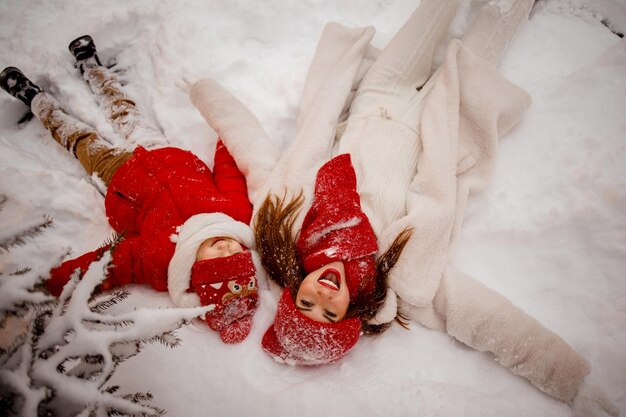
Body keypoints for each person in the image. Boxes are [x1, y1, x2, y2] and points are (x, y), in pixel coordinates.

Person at [186, 0, 620, 415]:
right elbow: (489, 321)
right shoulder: (404, 282)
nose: (322, 295)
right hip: (444, 118)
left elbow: (253, 153)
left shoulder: (289, 224)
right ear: (351, 315)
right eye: (330, 312)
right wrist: (573, 383)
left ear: (294, 291)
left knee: (432, 11)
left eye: (306, 303)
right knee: (487, 40)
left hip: (380, 92)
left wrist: (202, 93)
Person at [0, 35, 263, 344]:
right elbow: (230, 172)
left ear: (195, 272)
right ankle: (92, 67)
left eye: (216, 260)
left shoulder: (158, 258)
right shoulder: (235, 215)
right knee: (123, 110)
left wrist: (44, 285)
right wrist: (229, 133)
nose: (225, 247)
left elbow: (104, 267)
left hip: (119, 177)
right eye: (234, 254)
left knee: (79, 139)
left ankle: (36, 100)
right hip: (161, 151)